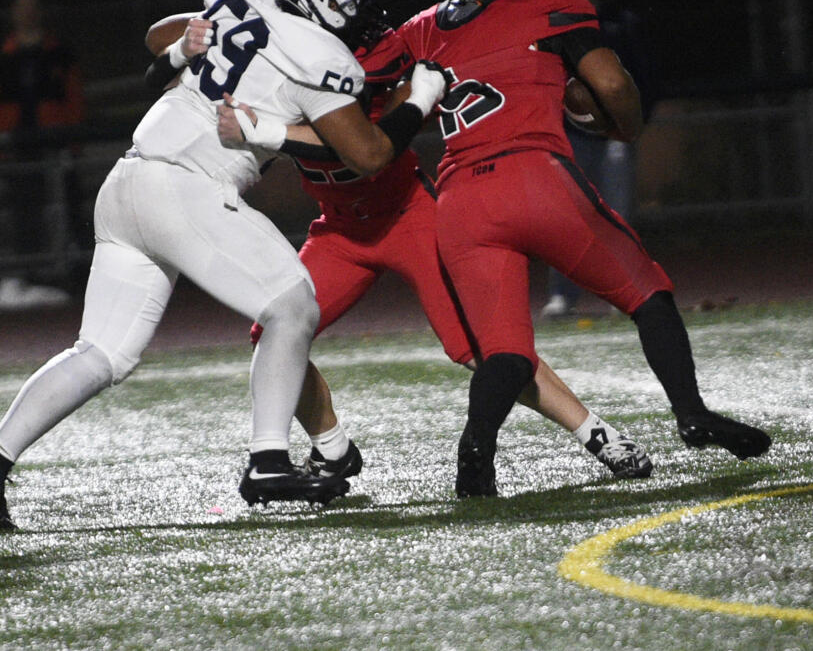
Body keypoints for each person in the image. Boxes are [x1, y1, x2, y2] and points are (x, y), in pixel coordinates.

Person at [0, 0, 449, 529]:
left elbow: (160, 36)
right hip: (188, 186)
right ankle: (268, 459)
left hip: (127, 183)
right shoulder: (321, 55)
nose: (364, 15)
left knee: (101, 352)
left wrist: (191, 48)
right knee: (292, 308)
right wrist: (420, 98)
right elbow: (367, 153)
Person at [388, 0, 770, 497]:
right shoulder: (553, 2)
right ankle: (691, 413)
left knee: (508, 353)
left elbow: (386, 101)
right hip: (534, 178)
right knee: (648, 293)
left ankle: (476, 449)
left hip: (461, 198)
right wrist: (626, 130)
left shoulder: (423, 27)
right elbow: (612, 86)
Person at [220, 26, 652, 482]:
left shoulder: (363, 67)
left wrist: (271, 128)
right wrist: (197, 38)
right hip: (340, 229)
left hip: (410, 218)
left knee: (482, 348)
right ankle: (332, 450)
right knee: (274, 334)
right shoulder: (277, 61)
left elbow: (361, 146)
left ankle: (595, 433)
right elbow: (166, 40)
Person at [541, 0, 659, 319]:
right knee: (568, 216)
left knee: (617, 218)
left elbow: (645, 78)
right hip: (573, 136)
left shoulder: (622, 24)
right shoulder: (559, 23)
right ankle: (563, 294)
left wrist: (632, 125)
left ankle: (623, 294)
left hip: (614, 135)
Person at [0, 0, 83, 310]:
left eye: (31, 8)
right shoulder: (2, 57)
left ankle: (75, 274)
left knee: (68, 209)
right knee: (24, 214)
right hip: (18, 147)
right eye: (20, 9)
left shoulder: (60, 53)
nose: (26, 15)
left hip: (55, 144)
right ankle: (33, 276)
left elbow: (74, 99)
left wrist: (71, 141)